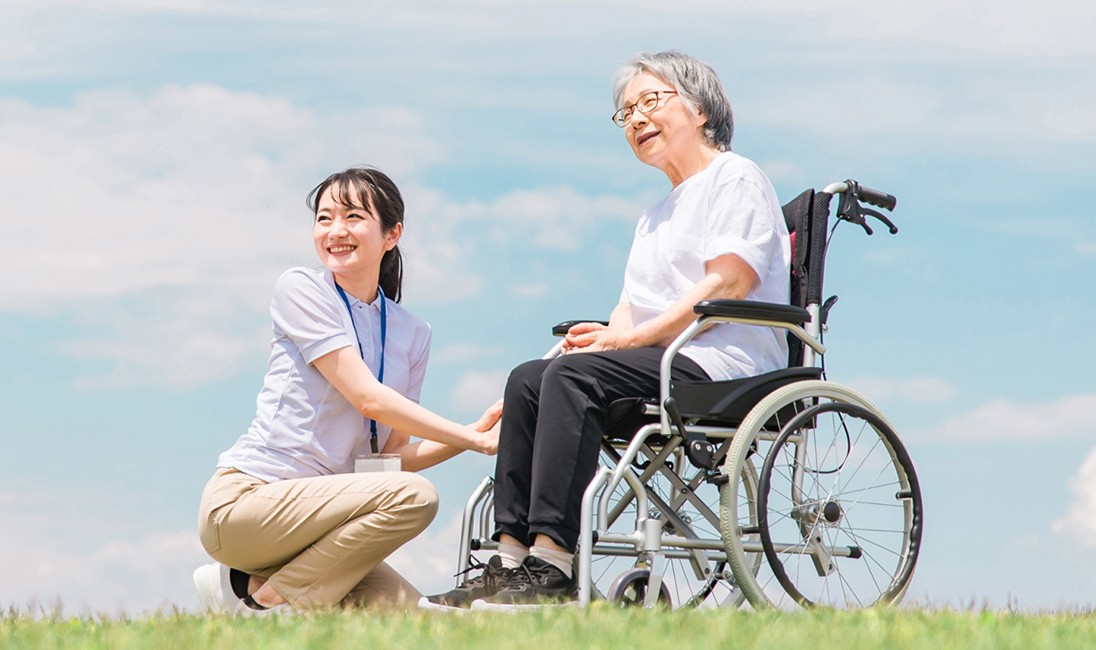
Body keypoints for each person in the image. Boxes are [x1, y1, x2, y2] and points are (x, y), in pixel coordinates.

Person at [420, 50, 791, 610]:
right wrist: (598, 339)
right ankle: (510, 560)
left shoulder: (735, 178)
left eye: (651, 102)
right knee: (530, 377)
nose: (637, 118)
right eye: (627, 113)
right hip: (665, 358)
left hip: (724, 362)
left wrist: (629, 341)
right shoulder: (655, 215)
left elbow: (730, 283)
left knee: (570, 379)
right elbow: (630, 311)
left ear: (699, 109)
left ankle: (553, 562)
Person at [193, 166, 501, 613]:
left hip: (325, 525)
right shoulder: (300, 289)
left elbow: (388, 463)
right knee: (417, 499)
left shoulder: (413, 333)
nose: (336, 231)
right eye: (324, 218)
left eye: (353, 216)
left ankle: (247, 588)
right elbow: (367, 397)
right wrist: (469, 437)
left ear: (392, 234)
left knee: (430, 624)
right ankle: (269, 601)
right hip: (247, 505)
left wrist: (476, 436)